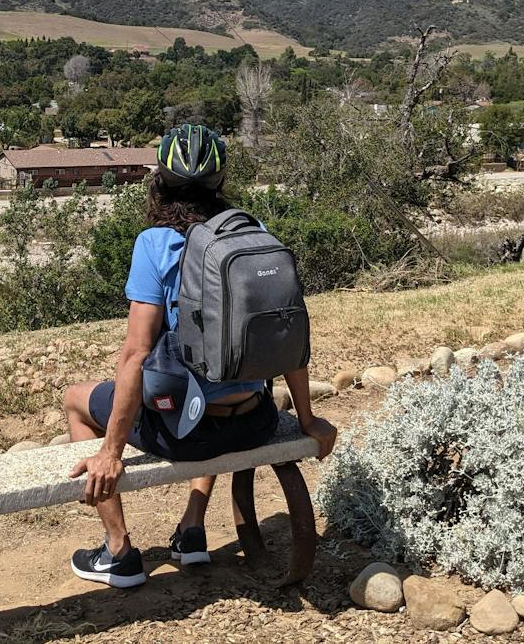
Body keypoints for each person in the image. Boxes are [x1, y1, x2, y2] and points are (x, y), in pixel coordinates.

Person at [64, 123, 337, 588]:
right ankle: (192, 530)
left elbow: (135, 353)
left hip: (188, 436)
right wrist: (308, 419)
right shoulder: (252, 234)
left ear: (161, 182)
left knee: (75, 398)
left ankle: (119, 553)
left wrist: (111, 451)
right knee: (204, 380)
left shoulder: (154, 245)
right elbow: (284, 335)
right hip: (255, 422)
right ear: (220, 181)